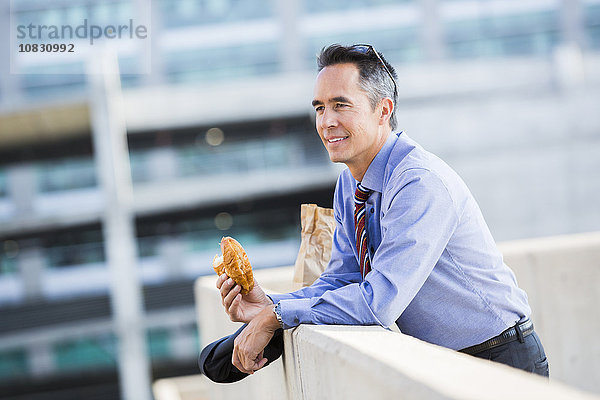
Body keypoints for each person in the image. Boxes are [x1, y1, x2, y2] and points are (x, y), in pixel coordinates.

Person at [216, 43, 549, 377]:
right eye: (319, 108)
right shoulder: (349, 185)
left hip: (500, 357)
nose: (327, 121)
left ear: (383, 110)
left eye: (340, 105)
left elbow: (379, 303)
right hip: (443, 363)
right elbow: (344, 278)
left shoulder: (418, 182)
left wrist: (278, 317)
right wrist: (272, 303)